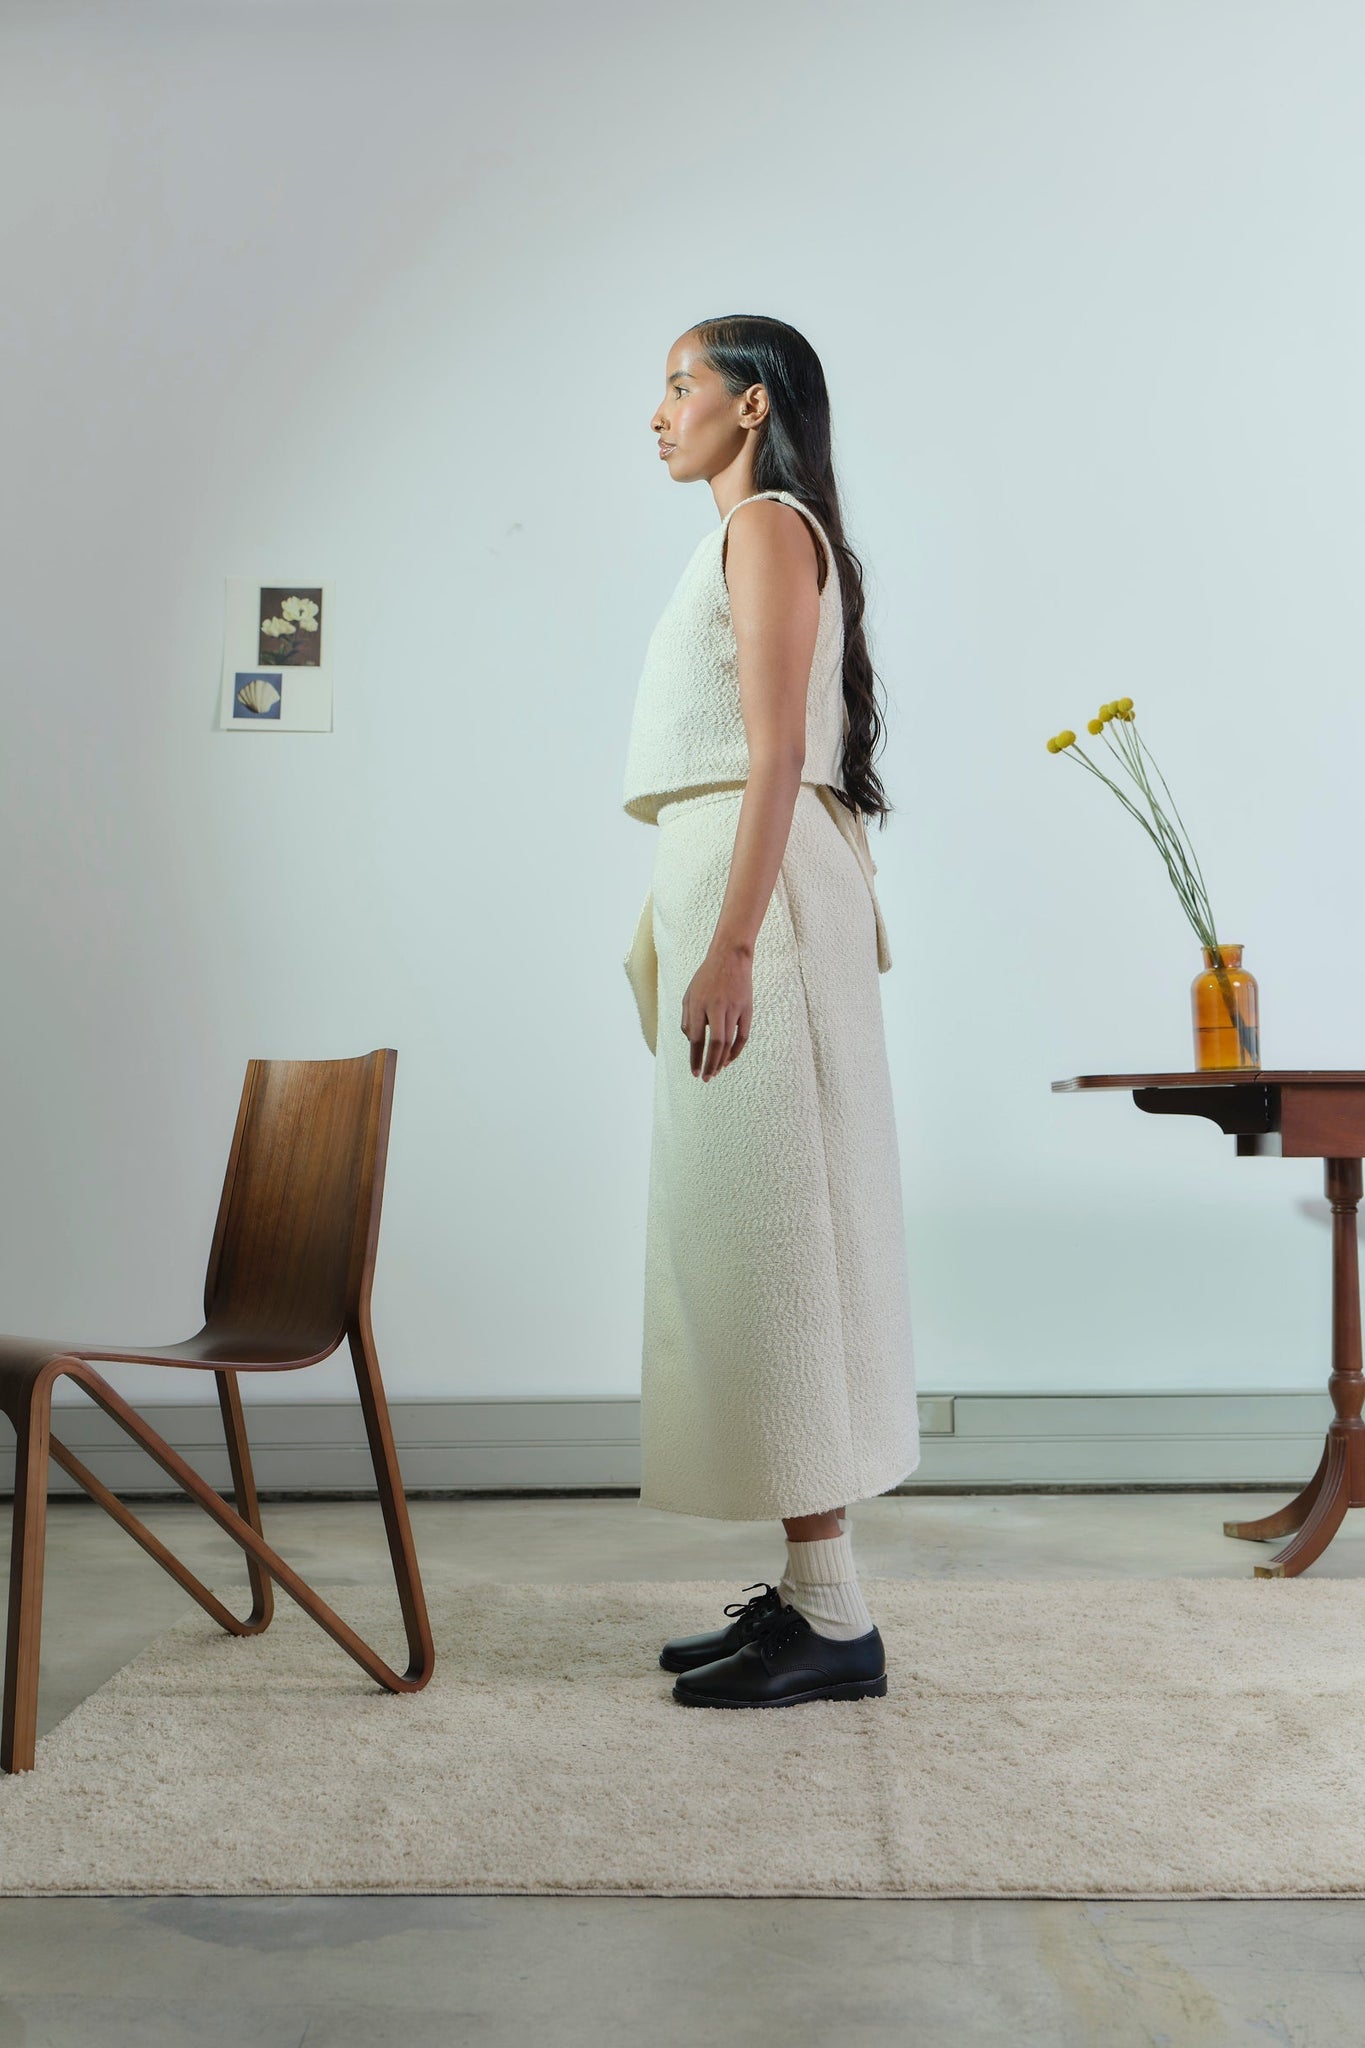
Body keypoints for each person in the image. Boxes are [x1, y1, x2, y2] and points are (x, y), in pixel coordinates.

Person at [621, 314, 919, 1708]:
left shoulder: (766, 529)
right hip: (749, 901)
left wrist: (732, 942)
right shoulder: (747, 533)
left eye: (680, 385)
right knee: (755, 1244)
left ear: (749, 407)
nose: (658, 411)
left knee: (781, 1238)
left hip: (766, 916)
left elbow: (778, 747)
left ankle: (837, 1617)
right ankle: (812, 1591)